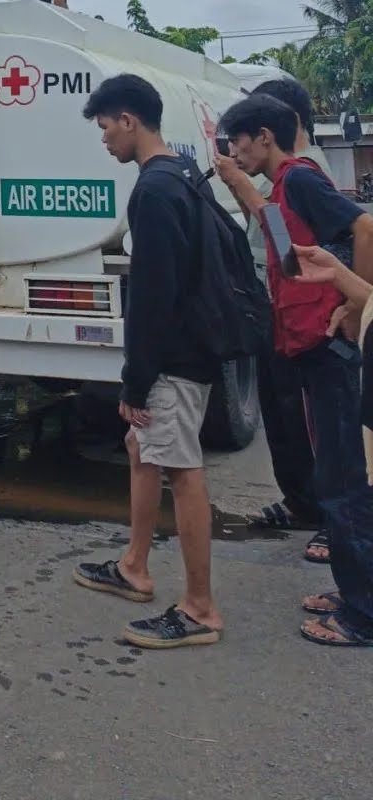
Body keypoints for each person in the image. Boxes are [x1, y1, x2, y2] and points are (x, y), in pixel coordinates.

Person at [72, 75, 224, 648]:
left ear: (129, 121)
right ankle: (134, 566)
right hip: (189, 347)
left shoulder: (154, 192)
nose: (104, 138)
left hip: (175, 358)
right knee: (143, 448)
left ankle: (199, 610)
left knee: (182, 471)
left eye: (106, 126)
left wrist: (135, 381)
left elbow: (154, 297)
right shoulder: (182, 172)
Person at [218, 94, 373, 646]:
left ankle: (364, 615)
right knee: (334, 473)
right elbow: (285, 250)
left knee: (341, 479)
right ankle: (357, 589)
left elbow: (365, 228)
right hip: (307, 347)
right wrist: (240, 188)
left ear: (265, 136)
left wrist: (357, 305)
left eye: (238, 141)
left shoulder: (301, 178)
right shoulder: (283, 189)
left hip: (328, 349)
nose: (234, 150)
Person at [219, 79, 329, 561]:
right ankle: (302, 502)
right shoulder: (280, 175)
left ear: (275, 128)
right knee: (281, 414)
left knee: (316, 424)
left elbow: (288, 245)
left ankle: (334, 518)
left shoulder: (307, 173)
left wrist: (353, 303)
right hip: (276, 311)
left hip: (309, 321)